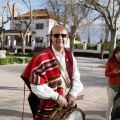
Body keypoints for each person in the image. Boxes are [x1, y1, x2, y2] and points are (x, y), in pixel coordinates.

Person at [21, 24, 83, 120]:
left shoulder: (70, 56)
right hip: (48, 105)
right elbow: (36, 86)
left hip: (67, 103)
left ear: (67, 38)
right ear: (51, 37)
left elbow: (76, 78)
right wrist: (57, 97)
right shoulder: (41, 57)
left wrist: (73, 94)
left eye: (63, 35)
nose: (60, 38)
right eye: (56, 35)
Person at [105, 46, 120, 120]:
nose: (119, 55)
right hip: (112, 87)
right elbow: (106, 74)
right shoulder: (110, 62)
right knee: (110, 103)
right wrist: (113, 72)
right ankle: (108, 118)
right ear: (114, 54)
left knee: (118, 104)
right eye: (117, 53)